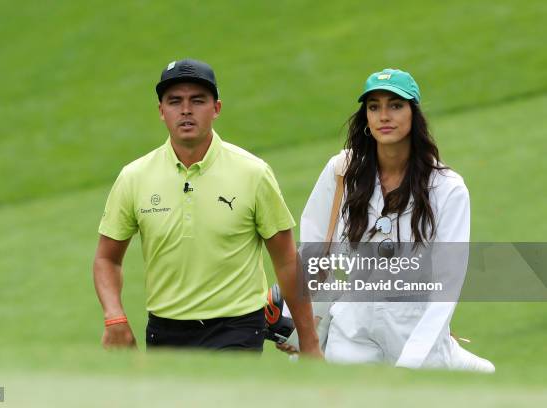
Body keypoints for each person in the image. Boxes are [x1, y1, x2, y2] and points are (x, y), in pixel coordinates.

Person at [93, 58, 321, 356]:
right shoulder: (134, 177)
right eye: (175, 101)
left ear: (216, 108)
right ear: (162, 112)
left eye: (197, 100)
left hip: (237, 327)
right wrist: (114, 316)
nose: (186, 110)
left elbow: (287, 261)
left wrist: (310, 342)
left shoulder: (253, 172)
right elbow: (107, 260)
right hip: (165, 331)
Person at [275, 68, 494, 372]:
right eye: (374, 106)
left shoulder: (448, 188)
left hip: (415, 327)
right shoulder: (341, 171)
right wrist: (295, 321)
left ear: (414, 114)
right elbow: (313, 251)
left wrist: (411, 362)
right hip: (352, 327)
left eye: (395, 105)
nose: (383, 115)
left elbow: (447, 285)